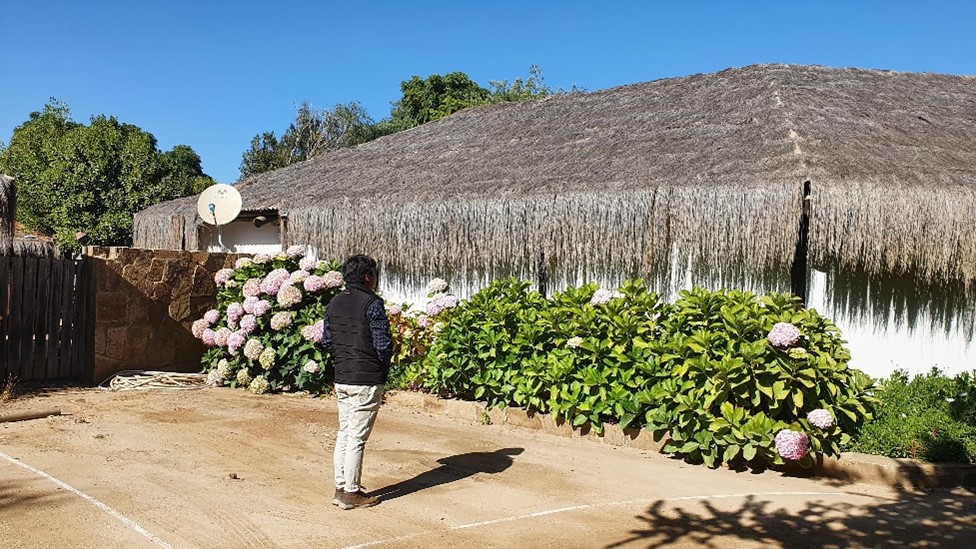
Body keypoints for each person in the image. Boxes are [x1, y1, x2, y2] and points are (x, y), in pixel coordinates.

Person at [322, 254, 393, 510]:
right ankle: (351, 493)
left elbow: (327, 341)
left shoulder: (333, 303)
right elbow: (383, 345)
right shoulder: (372, 304)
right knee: (357, 438)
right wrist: (381, 369)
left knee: (345, 433)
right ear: (367, 277)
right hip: (365, 378)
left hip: (342, 376)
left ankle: (341, 488)